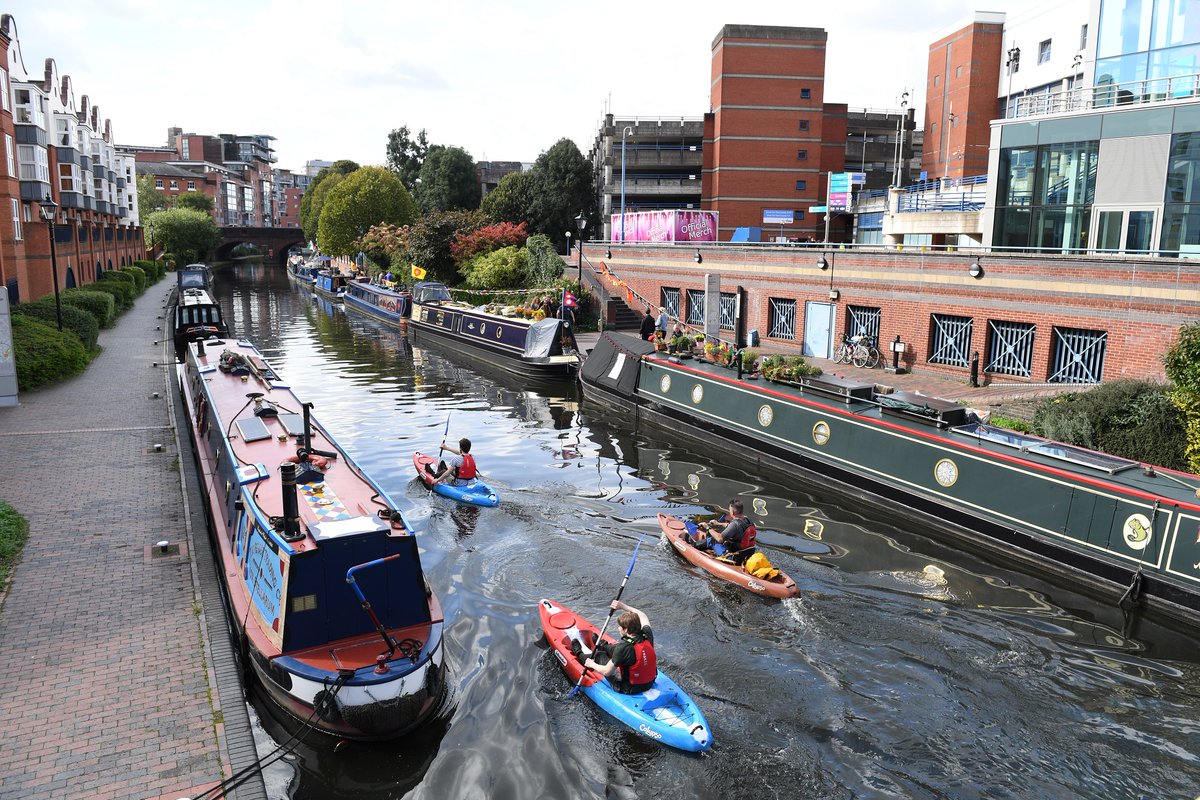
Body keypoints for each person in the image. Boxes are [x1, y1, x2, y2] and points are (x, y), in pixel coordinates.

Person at [572, 600, 657, 695]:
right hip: (650, 682)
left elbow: (607, 672)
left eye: (620, 627)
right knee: (617, 648)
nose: (618, 629)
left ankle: (579, 653)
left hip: (629, 688)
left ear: (626, 629)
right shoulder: (646, 634)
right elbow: (643, 615)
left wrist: (591, 664)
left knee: (600, 655)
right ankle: (603, 645)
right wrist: (622, 606)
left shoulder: (624, 648)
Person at [691, 499, 757, 559]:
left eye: (729, 510)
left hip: (733, 557)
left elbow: (720, 539)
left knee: (713, 540)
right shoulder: (748, 521)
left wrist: (707, 527)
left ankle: (692, 545)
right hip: (747, 555)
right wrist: (718, 523)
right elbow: (734, 527)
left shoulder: (735, 524)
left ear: (733, 512)